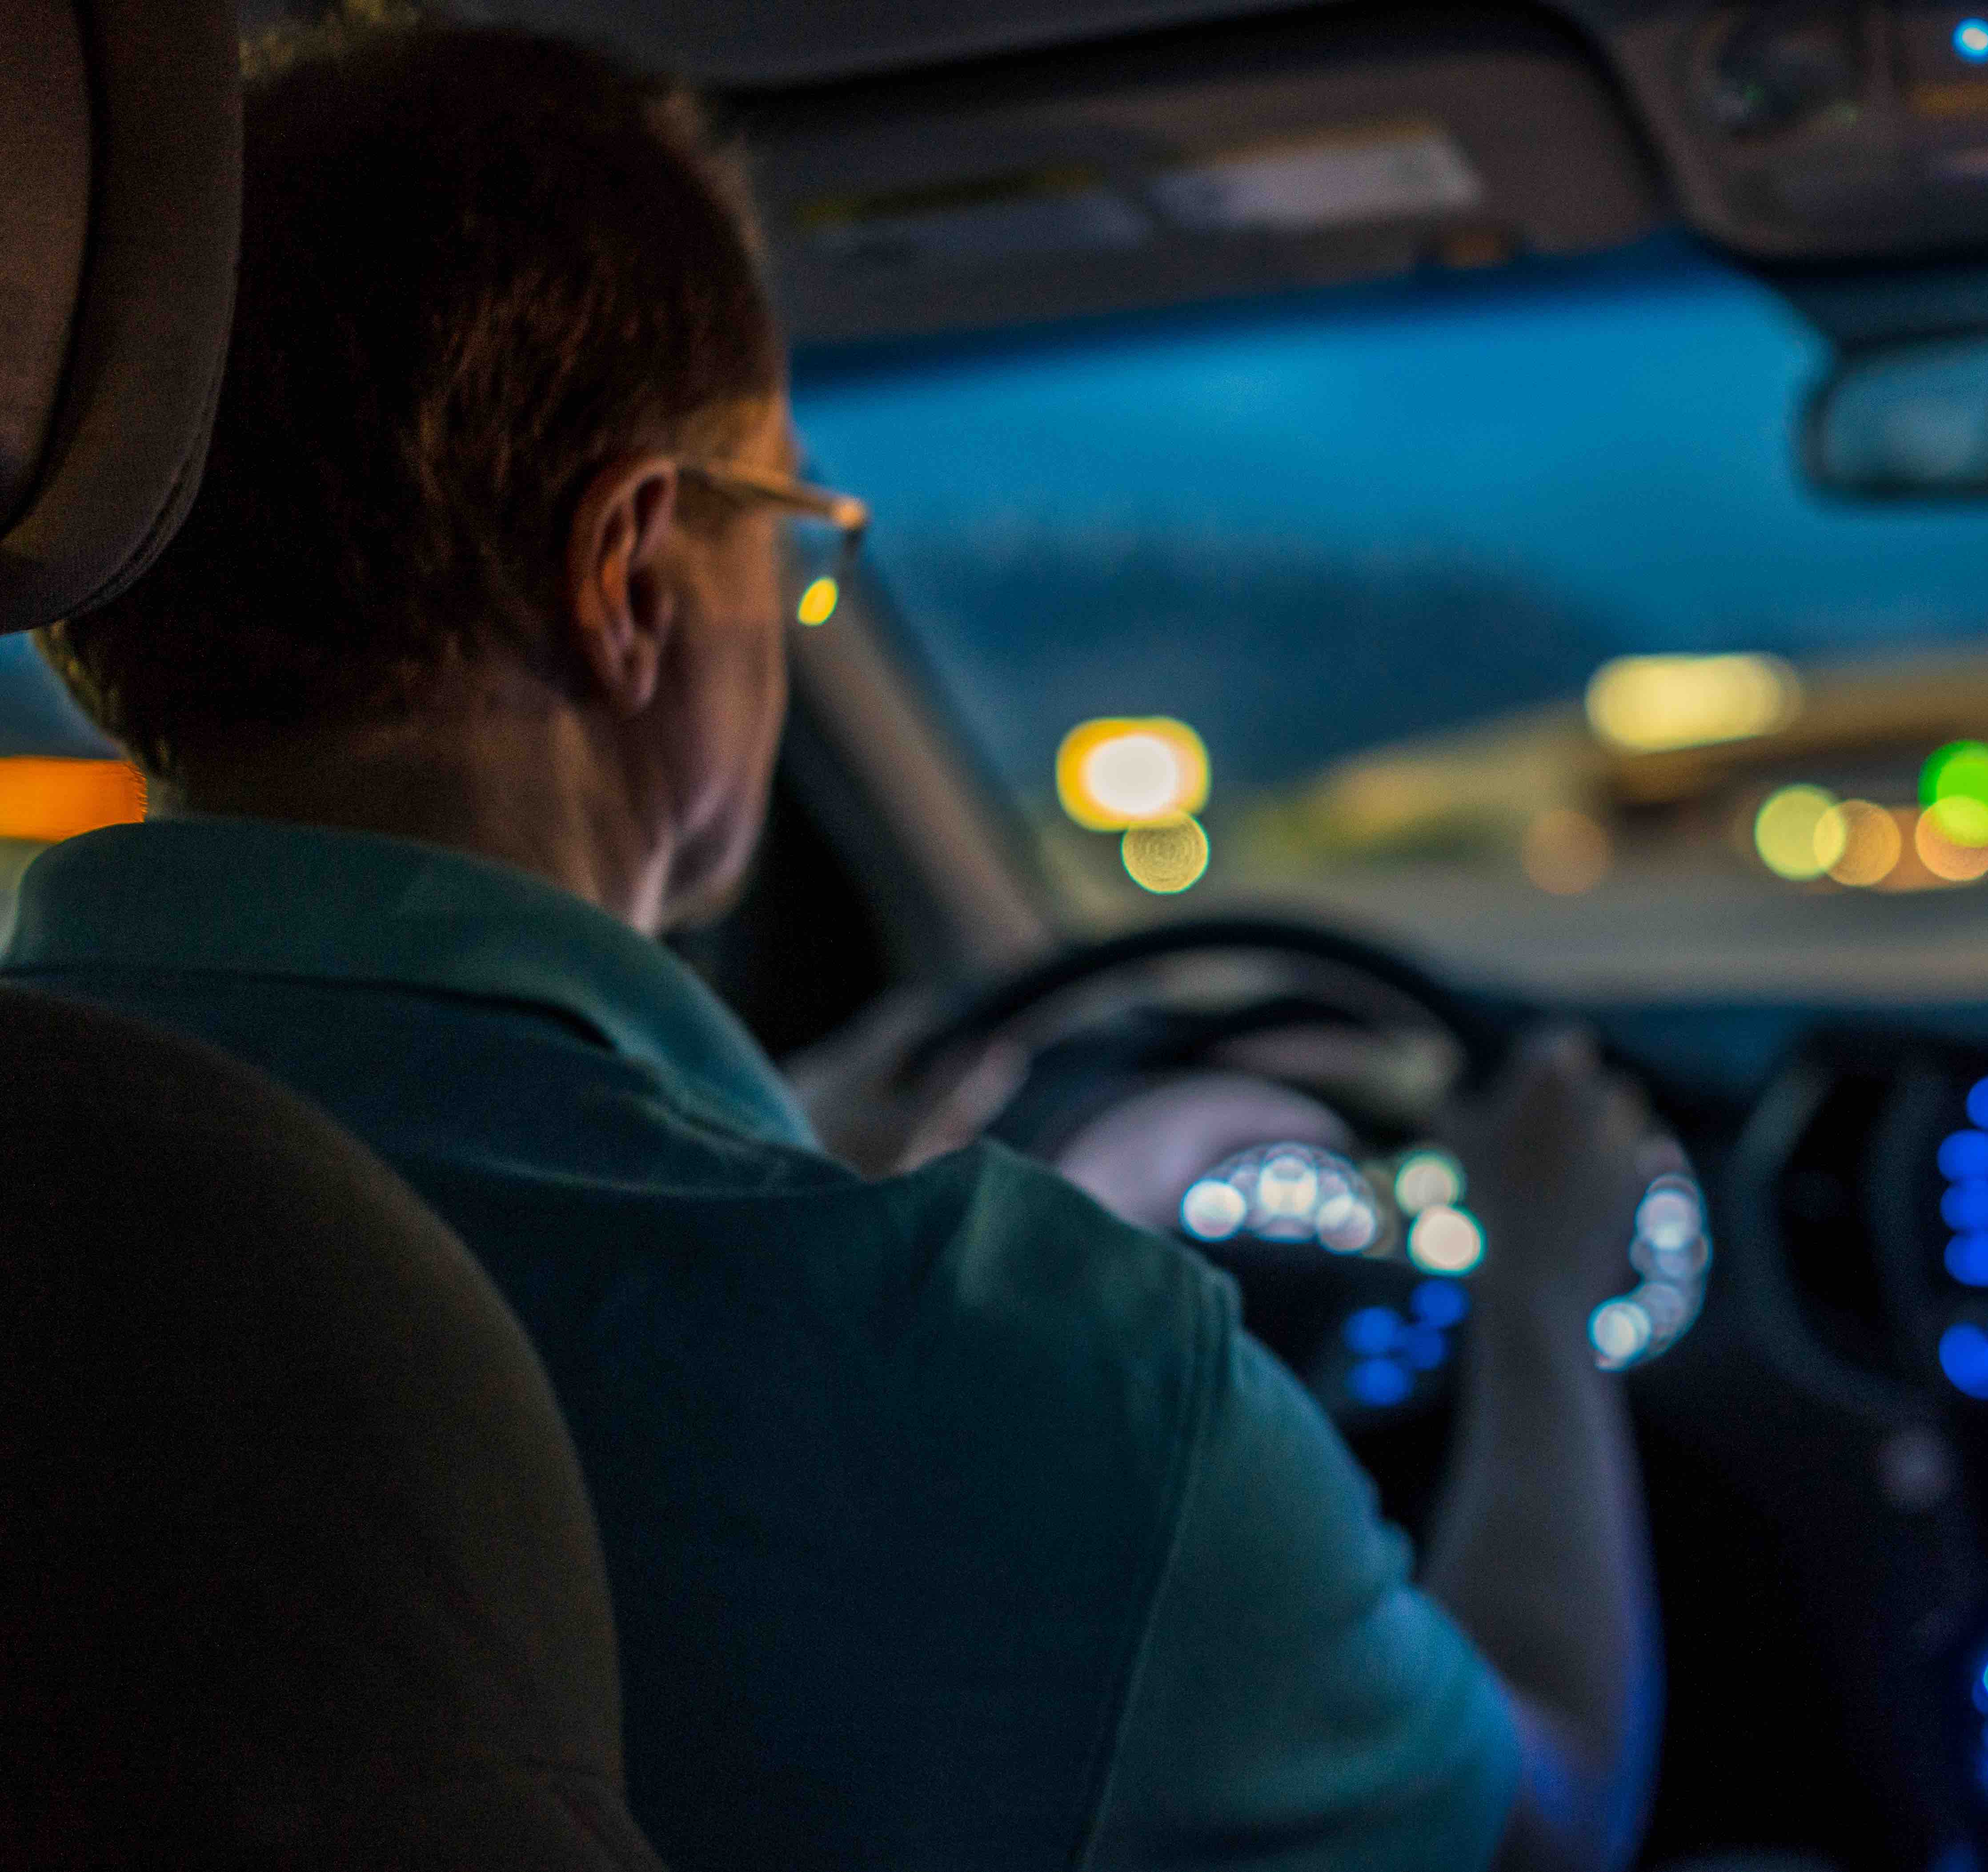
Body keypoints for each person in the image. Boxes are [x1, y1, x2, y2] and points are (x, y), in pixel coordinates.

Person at [4, 12, 1663, 1871]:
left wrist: (786, 1163)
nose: (790, 615)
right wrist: (1540, 1302)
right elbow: (1550, 1808)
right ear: (631, 574)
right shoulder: (1045, 1384)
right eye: (787, 529)